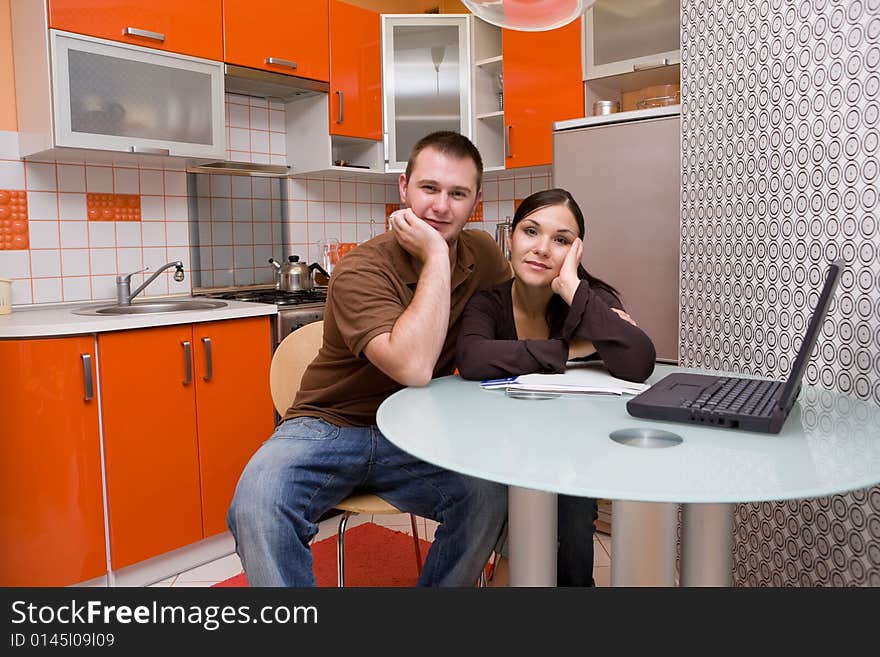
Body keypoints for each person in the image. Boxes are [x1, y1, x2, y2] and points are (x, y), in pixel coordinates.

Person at [228, 131, 513, 586]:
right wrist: (437, 257)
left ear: (477, 200)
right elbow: (414, 367)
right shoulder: (362, 268)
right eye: (429, 189)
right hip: (329, 424)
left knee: (489, 497)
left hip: (416, 429)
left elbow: (523, 317)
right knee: (258, 503)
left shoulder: (483, 255)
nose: (441, 206)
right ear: (403, 189)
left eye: (457, 193)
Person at [456, 188, 656, 586]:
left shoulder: (589, 299)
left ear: (576, 252)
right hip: (496, 447)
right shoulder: (488, 304)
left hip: (573, 451)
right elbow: (473, 359)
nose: (542, 248)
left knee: (571, 504)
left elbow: (640, 362)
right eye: (531, 232)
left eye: (561, 240)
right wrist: (566, 349)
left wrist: (573, 290)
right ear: (510, 238)